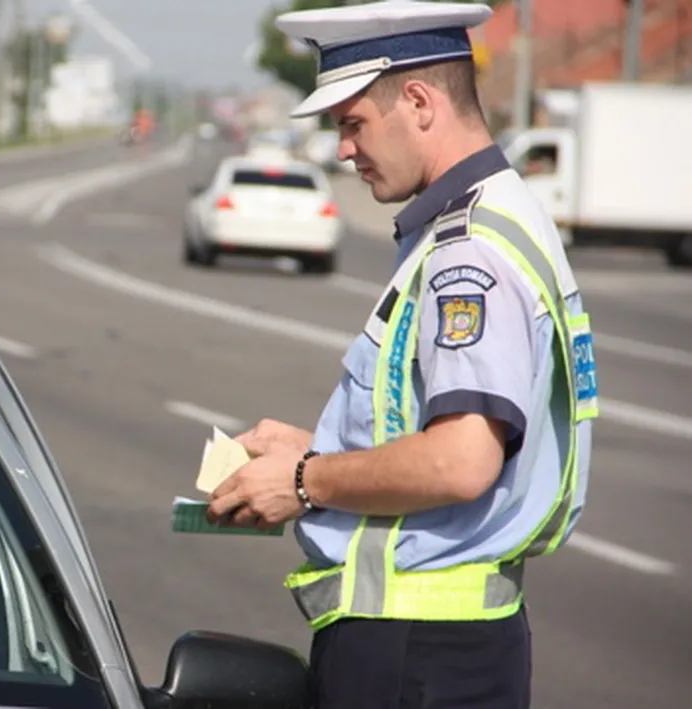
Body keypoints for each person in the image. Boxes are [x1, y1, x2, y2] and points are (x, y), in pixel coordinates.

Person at [205, 2, 598, 708]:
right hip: (437, 646)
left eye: (353, 123)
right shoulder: (488, 215)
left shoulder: (469, 252)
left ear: (418, 102)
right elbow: (425, 427)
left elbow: (461, 459)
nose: (342, 150)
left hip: (417, 654)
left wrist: (304, 480)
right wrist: (316, 448)